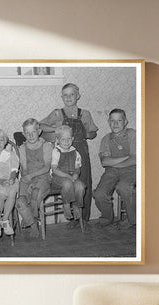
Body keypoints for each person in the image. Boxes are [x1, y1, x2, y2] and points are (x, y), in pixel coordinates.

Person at [40, 83, 98, 222]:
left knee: (84, 183)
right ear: (61, 97)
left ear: (78, 96)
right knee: (67, 182)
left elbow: (93, 133)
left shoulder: (85, 113)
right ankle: (71, 213)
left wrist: (88, 134)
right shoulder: (57, 113)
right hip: (63, 154)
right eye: (65, 94)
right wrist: (57, 129)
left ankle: (83, 218)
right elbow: (40, 126)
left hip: (81, 152)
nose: (69, 97)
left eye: (72, 94)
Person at [94, 108, 136, 229]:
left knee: (124, 187)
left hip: (132, 169)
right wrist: (127, 157)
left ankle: (131, 219)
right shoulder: (105, 139)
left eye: (119, 120)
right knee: (99, 194)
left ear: (125, 121)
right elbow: (104, 162)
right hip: (111, 172)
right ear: (109, 122)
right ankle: (106, 219)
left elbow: (136, 160)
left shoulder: (133, 134)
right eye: (113, 121)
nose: (116, 124)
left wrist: (114, 162)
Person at [16, 118, 53, 238]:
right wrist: (29, 180)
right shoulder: (22, 148)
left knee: (35, 193)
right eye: (27, 133)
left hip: (43, 177)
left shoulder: (46, 146)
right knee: (20, 201)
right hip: (27, 178)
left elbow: (47, 167)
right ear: (23, 134)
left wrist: (33, 178)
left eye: (33, 131)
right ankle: (32, 222)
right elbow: (24, 168)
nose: (30, 135)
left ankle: (30, 221)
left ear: (39, 131)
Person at [51, 125, 85, 231]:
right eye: (63, 139)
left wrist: (76, 174)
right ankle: (66, 204)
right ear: (57, 140)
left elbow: (77, 168)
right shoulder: (56, 151)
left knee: (80, 186)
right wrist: (68, 176)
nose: (66, 142)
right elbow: (55, 169)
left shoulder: (75, 152)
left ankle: (76, 205)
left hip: (71, 175)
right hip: (59, 177)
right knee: (67, 184)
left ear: (73, 139)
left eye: (69, 139)